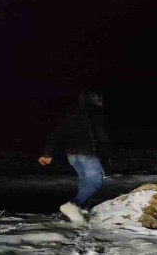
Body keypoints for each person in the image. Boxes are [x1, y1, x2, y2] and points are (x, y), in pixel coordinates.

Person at [38, 88, 110, 225]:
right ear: (95, 99)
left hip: (72, 154)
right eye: (99, 99)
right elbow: (102, 135)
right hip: (87, 153)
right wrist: (106, 147)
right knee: (95, 181)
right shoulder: (95, 112)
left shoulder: (71, 113)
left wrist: (47, 154)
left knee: (85, 181)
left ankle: (81, 208)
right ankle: (74, 205)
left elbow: (57, 133)